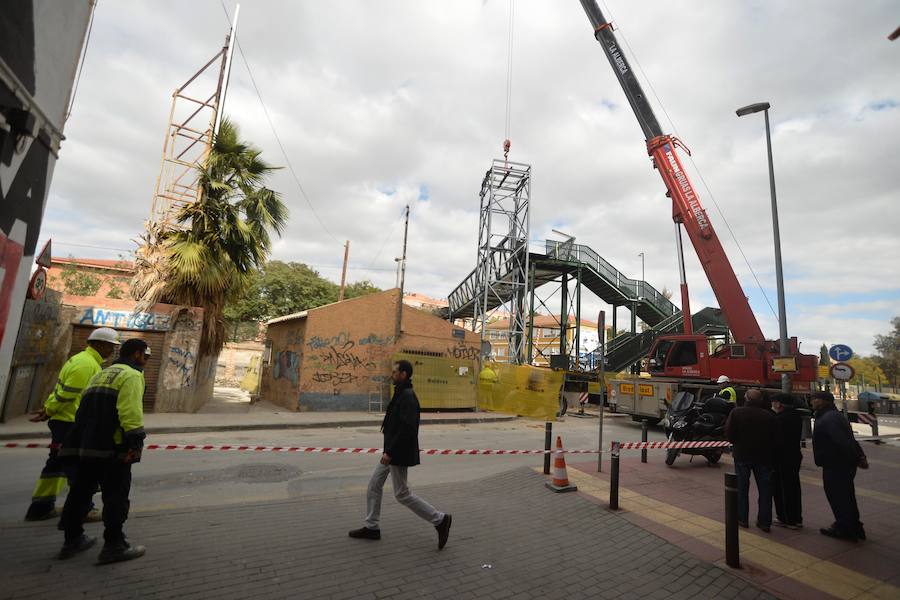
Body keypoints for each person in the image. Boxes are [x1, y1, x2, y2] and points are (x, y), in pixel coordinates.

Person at [57, 338, 149, 563]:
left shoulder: (101, 374)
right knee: (116, 495)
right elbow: (130, 412)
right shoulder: (132, 376)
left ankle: (72, 540)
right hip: (112, 449)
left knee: (80, 493)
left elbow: (81, 409)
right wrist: (135, 444)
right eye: (145, 357)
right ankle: (114, 545)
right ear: (137, 354)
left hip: (85, 446)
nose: (146, 361)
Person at [349, 359, 452, 549]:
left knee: (402, 494)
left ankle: (440, 519)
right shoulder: (401, 393)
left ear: (403, 374)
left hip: (396, 453)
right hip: (391, 451)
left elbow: (407, 430)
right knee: (374, 485)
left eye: (395, 372)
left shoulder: (408, 396)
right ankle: (372, 527)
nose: (392, 374)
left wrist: (390, 452)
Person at [24, 327, 120, 522]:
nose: (112, 351)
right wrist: (49, 410)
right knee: (79, 467)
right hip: (71, 423)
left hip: (65, 420)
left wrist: (49, 409)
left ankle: (41, 507)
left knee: (57, 465)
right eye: (110, 346)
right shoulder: (86, 365)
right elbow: (68, 394)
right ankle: (83, 509)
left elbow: (61, 392)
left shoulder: (82, 360)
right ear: (99, 345)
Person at [810, 390, 866, 541]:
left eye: (814, 399)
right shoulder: (832, 415)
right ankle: (854, 526)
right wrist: (859, 457)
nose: (811, 402)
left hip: (836, 463)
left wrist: (856, 458)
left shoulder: (829, 418)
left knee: (838, 496)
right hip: (840, 462)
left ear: (822, 401)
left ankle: (844, 528)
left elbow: (843, 441)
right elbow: (849, 438)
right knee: (846, 495)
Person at [725, 388, 778, 532]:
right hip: (764, 457)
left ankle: (742, 519)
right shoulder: (769, 416)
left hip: (742, 456)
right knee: (765, 491)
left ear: (747, 398)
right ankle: (765, 522)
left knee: (742, 488)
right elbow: (775, 438)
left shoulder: (737, 412)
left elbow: (729, 435)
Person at [771, 393, 803, 529]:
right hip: (794, 455)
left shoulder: (779, 419)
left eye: (774, 402)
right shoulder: (796, 416)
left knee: (782, 488)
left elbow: (774, 439)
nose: (772, 404)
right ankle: (796, 518)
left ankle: (787, 519)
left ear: (779, 404)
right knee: (793, 487)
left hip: (781, 458)